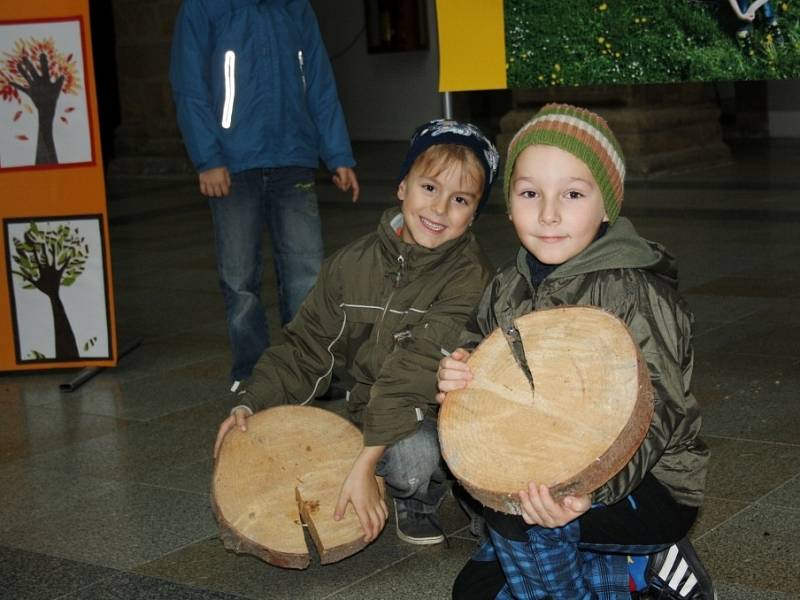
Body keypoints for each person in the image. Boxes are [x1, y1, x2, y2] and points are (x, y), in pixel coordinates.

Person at [437, 104, 715, 599]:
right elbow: (479, 347)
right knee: (471, 591)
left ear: (606, 205)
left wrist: (589, 495)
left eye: (572, 193)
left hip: (644, 481)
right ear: (509, 204)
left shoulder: (636, 292)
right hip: (548, 466)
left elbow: (662, 412)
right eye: (529, 193)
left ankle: (648, 561)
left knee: (523, 526)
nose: (548, 213)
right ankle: (622, 569)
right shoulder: (506, 284)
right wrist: (460, 378)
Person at [214, 119, 500, 546]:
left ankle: (418, 496)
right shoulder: (350, 265)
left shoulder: (470, 277)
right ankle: (376, 466)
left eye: (459, 199)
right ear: (402, 187)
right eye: (429, 188)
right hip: (368, 408)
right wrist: (253, 403)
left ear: (474, 213)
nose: (439, 209)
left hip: (439, 414)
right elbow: (305, 348)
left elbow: (414, 374)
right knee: (307, 449)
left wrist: (365, 464)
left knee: (414, 457)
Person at [169, 0, 360, 386]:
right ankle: (253, 371)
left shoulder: (296, 8)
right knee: (240, 277)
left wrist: (337, 153)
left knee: (306, 273)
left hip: (293, 159)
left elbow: (320, 82)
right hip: (232, 165)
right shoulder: (204, 8)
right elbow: (189, 86)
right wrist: (207, 158)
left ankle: (308, 370)